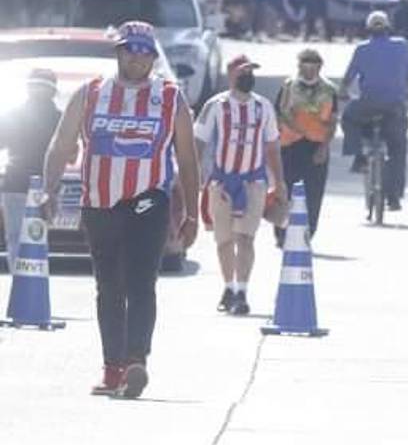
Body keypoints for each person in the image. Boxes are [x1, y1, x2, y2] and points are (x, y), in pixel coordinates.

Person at [42, 21, 201, 399]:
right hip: (99, 202)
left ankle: (136, 361)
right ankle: (112, 367)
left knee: (141, 282)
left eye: (145, 51)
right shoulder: (91, 93)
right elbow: (61, 143)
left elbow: (188, 158)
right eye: (131, 50)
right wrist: (47, 190)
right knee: (108, 285)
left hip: (149, 199)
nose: (138, 58)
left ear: (153, 56)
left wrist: (192, 212)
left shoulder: (170, 97)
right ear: (119, 51)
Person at [196, 56, 288, 317]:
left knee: (246, 237)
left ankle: (242, 291)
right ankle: (228, 286)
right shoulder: (215, 106)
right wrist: (194, 177)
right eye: (243, 71)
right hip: (222, 183)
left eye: (251, 71)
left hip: (253, 182)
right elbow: (199, 142)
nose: (248, 75)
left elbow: (272, 146)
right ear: (231, 74)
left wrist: (279, 182)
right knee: (224, 240)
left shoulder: (264, 107)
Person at [340, 11, 408, 212]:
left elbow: (348, 78)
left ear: (368, 30)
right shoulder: (401, 45)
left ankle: (359, 157)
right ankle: (394, 197)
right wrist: (406, 91)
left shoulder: (361, 49)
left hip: (368, 104)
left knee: (348, 117)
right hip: (395, 106)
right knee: (398, 148)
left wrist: (342, 92)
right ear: (388, 28)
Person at [274, 49, 337, 245]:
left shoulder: (329, 90)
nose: (309, 68)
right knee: (285, 190)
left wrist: (324, 147)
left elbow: (333, 120)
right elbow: (279, 114)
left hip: (316, 147)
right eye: (305, 63)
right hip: (290, 145)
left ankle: (307, 233)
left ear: (320, 66)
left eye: (314, 64)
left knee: (314, 193)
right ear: (299, 65)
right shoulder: (289, 86)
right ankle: (282, 232)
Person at [0, 69, 62, 265]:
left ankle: (23, 283)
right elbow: (71, 153)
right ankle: (31, 282)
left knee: (18, 236)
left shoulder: (13, 115)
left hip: (21, 184)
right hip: (43, 185)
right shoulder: (61, 118)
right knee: (37, 236)